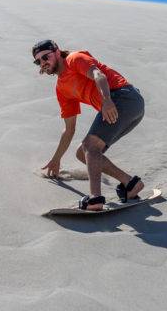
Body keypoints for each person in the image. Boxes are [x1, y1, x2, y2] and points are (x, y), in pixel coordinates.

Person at [33, 39, 145, 211]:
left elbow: (98, 75)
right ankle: (130, 184)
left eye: (45, 57)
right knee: (83, 153)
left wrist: (107, 101)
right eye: (38, 61)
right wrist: (56, 159)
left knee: (89, 146)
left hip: (122, 98)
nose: (43, 63)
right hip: (126, 109)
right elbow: (69, 129)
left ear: (56, 52)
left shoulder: (74, 59)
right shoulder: (61, 89)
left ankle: (95, 199)